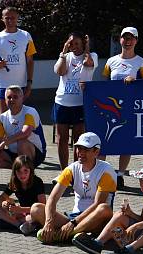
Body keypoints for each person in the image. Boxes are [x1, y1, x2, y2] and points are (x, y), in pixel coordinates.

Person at [72, 165, 143, 254]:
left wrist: (135, 226)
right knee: (120, 215)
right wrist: (130, 213)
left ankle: (128, 250)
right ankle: (98, 243)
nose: (140, 182)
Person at [30, 132, 115, 244]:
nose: (81, 153)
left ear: (96, 152)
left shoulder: (106, 171)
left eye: (86, 149)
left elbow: (97, 204)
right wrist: (48, 222)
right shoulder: (72, 169)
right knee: (36, 208)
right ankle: (74, 235)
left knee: (104, 208)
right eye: (79, 148)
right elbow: (52, 198)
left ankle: (63, 235)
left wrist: (72, 224)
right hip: (74, 218)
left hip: (96, 220)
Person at [102, 27, 143, 189]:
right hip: (111, 107)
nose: (128, 41)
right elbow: (103, 84)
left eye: (131, 38)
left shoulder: (141, 62)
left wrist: (136, 81)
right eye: (125, 38)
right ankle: (102, 173)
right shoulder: (111, 61)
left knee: (126, 141)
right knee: (106, 139)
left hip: (131, 108)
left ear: (136, 41)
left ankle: (120, 175)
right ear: (120, 40)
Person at [53, 32, 97, 169]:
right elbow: (60, 71)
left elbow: (87, 63)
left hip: (80, 104)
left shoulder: (92, 55)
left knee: (78, 140)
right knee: (62, 140)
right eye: (71, 43)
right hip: (62, 102)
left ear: (83, 43)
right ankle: (64, 171)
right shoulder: (65, 57)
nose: (74, 46)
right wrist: (63, 52)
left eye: (77, 43)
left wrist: (87, 47)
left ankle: (76, 170)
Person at [0, 6, 36, 114]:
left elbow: (30, 61)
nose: (10, 20)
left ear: (17, 18)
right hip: (1, 84)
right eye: (7, 18)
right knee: (4, 118)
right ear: (2, 19)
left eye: (12, 18)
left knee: (18, 118)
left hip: (20, 84)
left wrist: (29, 83)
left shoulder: (26, 36)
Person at [0, 86, 45, 169]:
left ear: (22, 98)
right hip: (13, 152)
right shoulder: (3, 117)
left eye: (15, 97)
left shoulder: (30, 111)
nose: (11, 100)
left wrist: (5, 142)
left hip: (34, 153)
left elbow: (25, 133)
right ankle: (18, 170)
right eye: (9, 97)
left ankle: (28, 173)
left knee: (22, 143)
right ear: (5, 99)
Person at [0, 155, 46, 233]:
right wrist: (4, 203)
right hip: (20, 214)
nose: (22, 175)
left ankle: (17, 223)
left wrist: (20, 210)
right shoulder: (15, 182)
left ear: (31, 170)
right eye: (19, 171)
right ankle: (19, 225)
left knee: (28, 218)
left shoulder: (37, 182)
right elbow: (1, 198)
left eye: (25, 171)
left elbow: (42, 207)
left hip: (33, 213)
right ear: (14, 172)